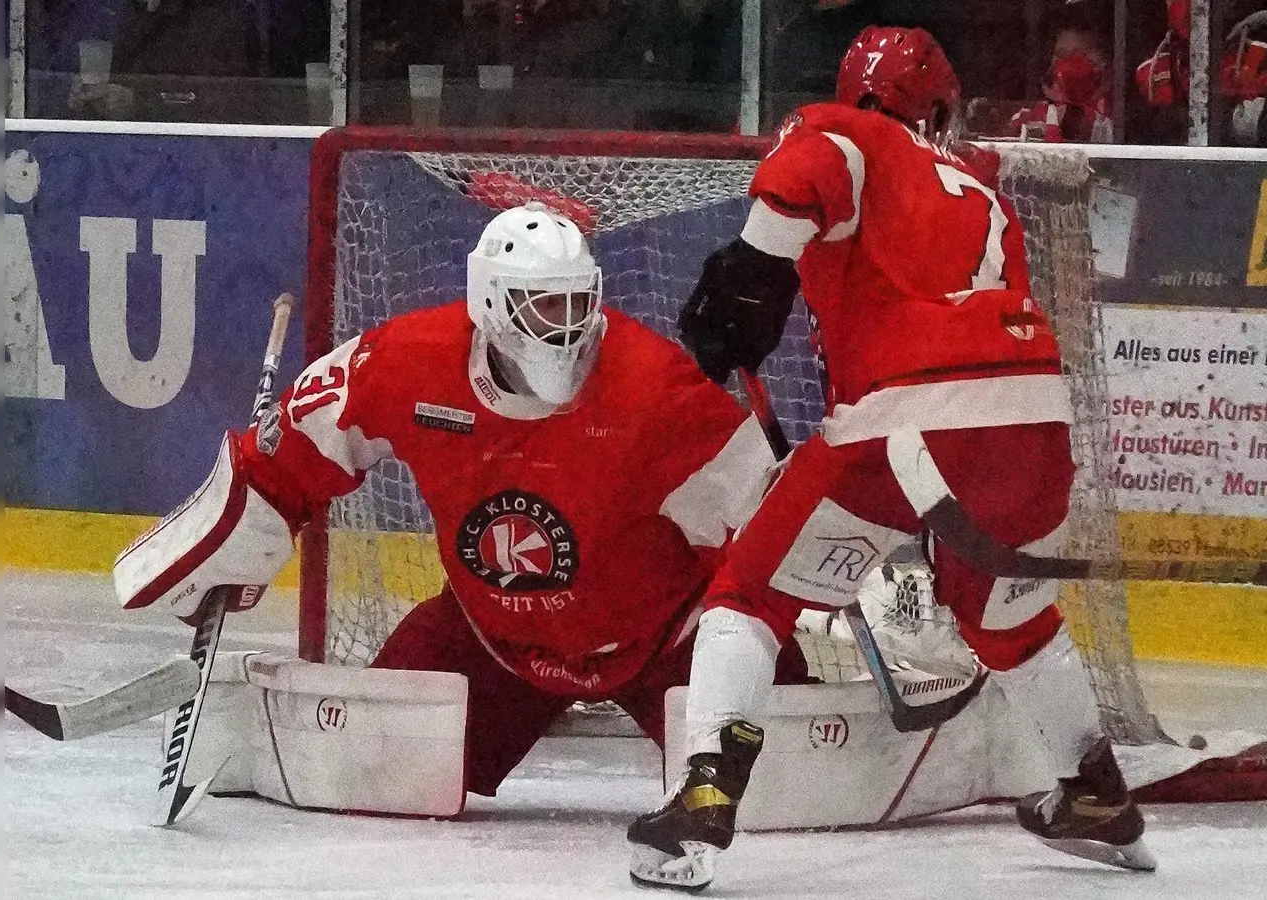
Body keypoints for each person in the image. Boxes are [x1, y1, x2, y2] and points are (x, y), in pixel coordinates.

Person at [625, 25, 1155, 891]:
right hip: (1032, 417)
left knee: (748, 596)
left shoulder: (843, 129)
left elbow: (800, 179)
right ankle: (1094, 792)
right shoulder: (981, 188)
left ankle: (705, 798)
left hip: (904, 419)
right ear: (939, 105)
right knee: (1007, 620)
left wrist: (752, 277)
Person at [114, 201, 811, 800]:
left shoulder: (656, 390)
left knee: (776, 789)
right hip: (492, 642)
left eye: (576, 301)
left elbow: (766, 530)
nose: (565, 325)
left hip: (666, 643)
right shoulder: (410, 361)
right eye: (543, 305)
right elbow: (298, 442)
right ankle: (244, 733)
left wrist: (814, 570)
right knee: (370, 771)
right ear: (490, 302)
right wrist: (253, 521)